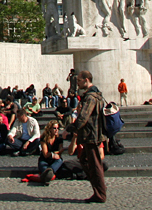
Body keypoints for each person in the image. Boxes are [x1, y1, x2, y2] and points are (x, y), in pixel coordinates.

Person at [66, 70, 107, 204]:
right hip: (93, 134)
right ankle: (98, 188)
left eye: (79, 80)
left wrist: (71, 128)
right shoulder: (97, 95)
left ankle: (100, 194)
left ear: (86, 80)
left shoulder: (90, 97)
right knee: (84, 160)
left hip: (91, 135)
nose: (77, 83)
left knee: (95, 165)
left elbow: (83, 117)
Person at [38, 120, 65, 185]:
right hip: (44, 160)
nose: (56, 130)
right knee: (44, 167)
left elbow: (60, 151)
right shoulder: (44, 139)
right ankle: (48, 175)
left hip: (54, 161)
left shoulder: (59, 139)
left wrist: (53, 154)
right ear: (50, 129)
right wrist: (54, 154)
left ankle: (49, 173)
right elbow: (45, 154)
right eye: (54, 128)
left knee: (59, 161)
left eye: (57, 128)